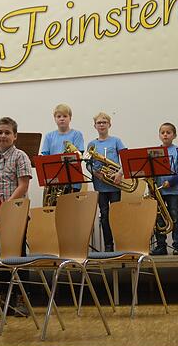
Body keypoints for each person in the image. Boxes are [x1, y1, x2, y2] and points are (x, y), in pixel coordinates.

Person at [0, 117, 33, 317]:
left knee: (17, 255)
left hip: (16, 213)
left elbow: (23, 185)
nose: (3, 136)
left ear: (15, 136)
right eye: (0, 132)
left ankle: (23, 300)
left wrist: (7, 205)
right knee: (0, 256)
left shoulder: (21, 156)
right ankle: (5, 301)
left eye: (7, 133)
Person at [85, 112, 126, 252]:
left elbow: (125, 159)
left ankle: (119, 244)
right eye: (99, 122)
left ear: (109, 124)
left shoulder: (116, 141)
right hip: (100, 186)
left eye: (104, 122)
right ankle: (109, 245)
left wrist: (120, 173)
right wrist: (95, 172)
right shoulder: (92, 144)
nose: (101, 124)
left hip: (115, 185)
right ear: (95, 126)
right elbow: (87, 164)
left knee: (116, 216)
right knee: (104, 215)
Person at [149, 123, 178, 256]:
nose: (165, 134)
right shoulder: (154, 152)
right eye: (163, 132)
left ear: (174, 135)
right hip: (158, 190)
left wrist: (171, 182)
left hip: (173, 190)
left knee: (175, 217)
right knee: (158, 218)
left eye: (168, 132)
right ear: (159, 135)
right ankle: (161, 246)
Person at [41, 104, 85, 198]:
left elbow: (79, 154)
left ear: (70, 118)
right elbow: (45, 158)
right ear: (55, 119)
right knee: (53, 209)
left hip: (72, 181)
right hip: (54, 180)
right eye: (59, 116)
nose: (62, 119)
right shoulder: (49, 136)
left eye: (65, 116)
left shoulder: (77, 134)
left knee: (71, 210)